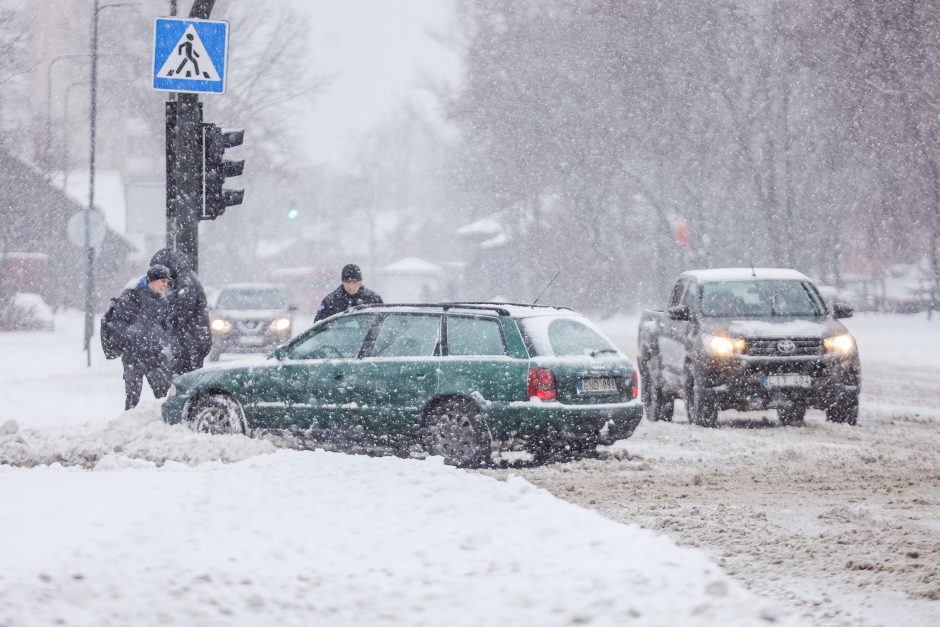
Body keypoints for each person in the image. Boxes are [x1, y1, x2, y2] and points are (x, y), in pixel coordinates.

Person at [109, 264, 173, 410]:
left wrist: (163, 338)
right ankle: (128, 424)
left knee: (164, 393)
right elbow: (117, 322)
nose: (165, 285)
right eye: (163, 281)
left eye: (167, 282)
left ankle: (164, 423)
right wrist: (132, 332)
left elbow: (167, 326)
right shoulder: (132, 297)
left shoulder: (162, 302)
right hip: (133, 355)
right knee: (133, 397)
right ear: (153, 280)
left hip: (155, 355)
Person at [149, 247, 211, 376]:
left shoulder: (185, 281)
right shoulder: (182, 278)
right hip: (192, 339)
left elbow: (183, 309)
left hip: (191, 340)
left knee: (185, 378)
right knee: (186, 376)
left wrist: (166, 320)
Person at [314, 263, 383, 321]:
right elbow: (318, 326)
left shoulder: (374, 299)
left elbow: (383, 323)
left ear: (360, 282)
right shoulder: (329, 301)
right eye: (348, 282)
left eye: (354, 282)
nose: (351, 286)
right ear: (342, 282)